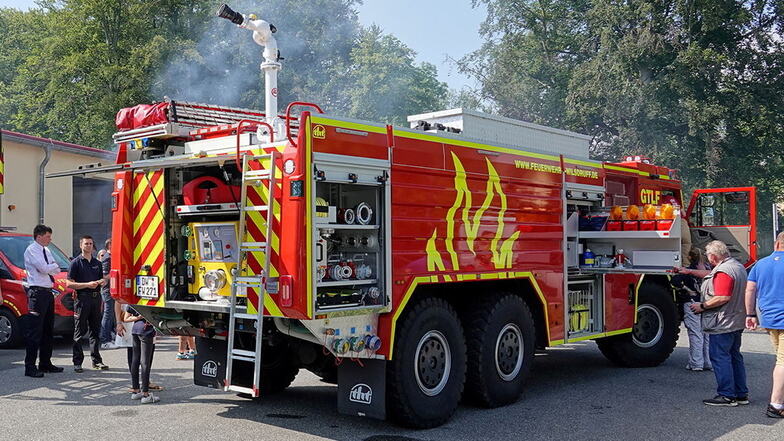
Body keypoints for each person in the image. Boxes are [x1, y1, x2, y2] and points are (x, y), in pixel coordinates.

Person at [678, 240, 748, 406]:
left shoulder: (724, 271)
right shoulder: (736, 266)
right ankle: (740, 394)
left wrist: (702, 306)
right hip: (736, 319)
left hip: (722, 321)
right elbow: (711, 275)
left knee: (720, 357)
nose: (708, 260)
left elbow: (722, 296)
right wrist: (688, 271)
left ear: (714, 256)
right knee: (735, 356)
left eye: (709, 257)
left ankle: (726, 395)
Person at [745, 231, 784, 418]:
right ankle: (776, 404)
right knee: (783, 362)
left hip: (769, 319)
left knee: (780, 359)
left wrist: (750, 314)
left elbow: (750, 289)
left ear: (776, 244)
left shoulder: (760, 264)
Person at [22, 224, 64, 378]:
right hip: (37, 292)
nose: (50, 239)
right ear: (38, 236)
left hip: (47, 292)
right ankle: (30, 366)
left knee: (47, 329)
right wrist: (50, 267)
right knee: (35, 331)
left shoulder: (46, 250)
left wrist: (50, 267)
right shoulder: (32, 250)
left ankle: (45, 363)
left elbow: (57, 268)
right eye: (47, 236)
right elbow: (44, 269)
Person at [67, 235, 109, 372]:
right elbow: (69, 283)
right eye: (86, 244)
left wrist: (102, 282)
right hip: (82, 299)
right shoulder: (76, 262)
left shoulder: (97, 263)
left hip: (96, 299)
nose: (89, 246)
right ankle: (77, 362)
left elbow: (102, 280)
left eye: (91, 243)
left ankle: (96, 361)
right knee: (79, 332)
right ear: (81, 246)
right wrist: (87, 285)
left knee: (95, 331)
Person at [115, 302, 159, 403]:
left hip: (135, 330)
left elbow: (126, 318)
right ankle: (145, 394)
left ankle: (135, 390)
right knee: (145, 362)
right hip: (146, 330)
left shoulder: (133, 302)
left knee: (135, 360)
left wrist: (138, 318)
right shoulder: (152, 302)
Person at [677, 248, 713, 371]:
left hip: (692, 302)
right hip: (707, 303)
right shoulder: (710, 269)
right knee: (707, 334)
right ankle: (708, 362)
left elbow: (675, 281)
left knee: (695, 334)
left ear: (690, 257)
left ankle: (696, 363)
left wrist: (686, 289)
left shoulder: (688, 270)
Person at [99, 239, 116, 349]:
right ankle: (105, 340)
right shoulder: (107, 258)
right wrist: (116, 274)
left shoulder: (111, 257)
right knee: (108, 314)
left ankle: (110, 334)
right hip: (107, 290)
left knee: (112, 314)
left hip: (112, 289)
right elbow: (104, 275)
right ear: (109, 245)